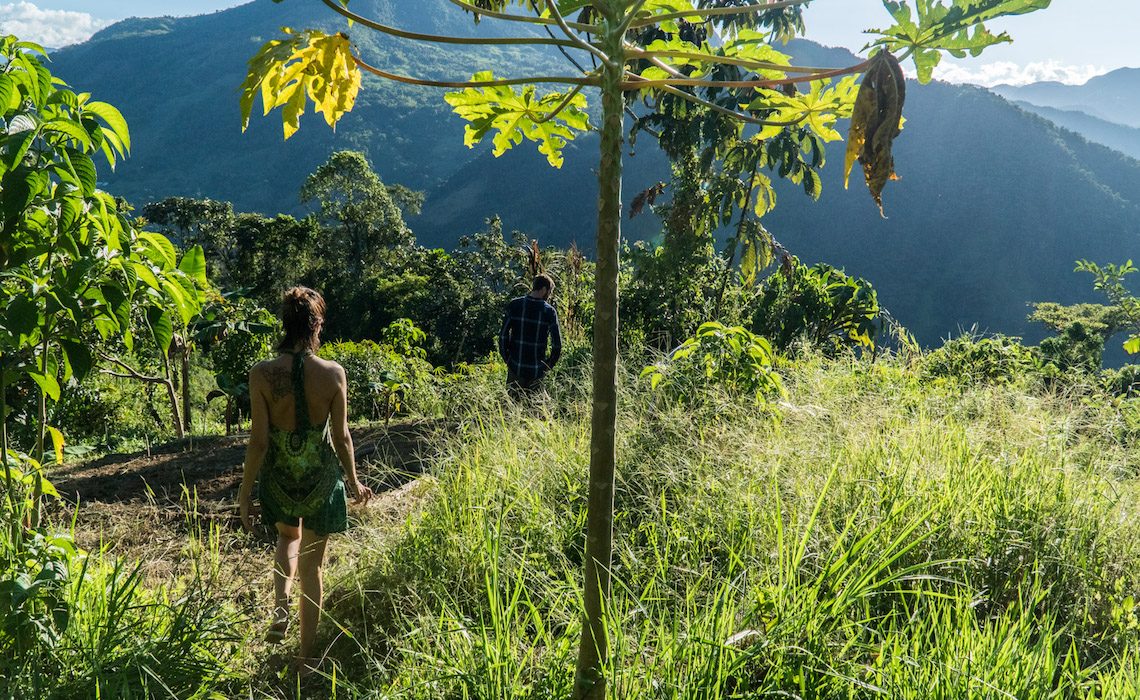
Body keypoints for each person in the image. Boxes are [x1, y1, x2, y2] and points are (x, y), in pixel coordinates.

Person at [238, 286, 373, 673]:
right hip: (319, 479)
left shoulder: (262, 374)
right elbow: (343, 437)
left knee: (286, 537)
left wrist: (245, 494)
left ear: (285, 324)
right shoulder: (333, 374)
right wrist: (353, 480)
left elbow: (259, 442)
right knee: (313, 567)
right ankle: (305, 656)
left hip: (280, 476)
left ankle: (280, 604)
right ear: (315, 325)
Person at [499, 273, 562, 398]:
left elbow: (503, 335)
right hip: (536, 370)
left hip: (515, 366)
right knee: (536, 413)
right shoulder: (549, 311)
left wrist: (508, 359)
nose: (549, 295)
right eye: (550, 291)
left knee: (511, 411)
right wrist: (547, 366)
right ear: (544, 289)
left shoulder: (515, 305)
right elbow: (557, 345)